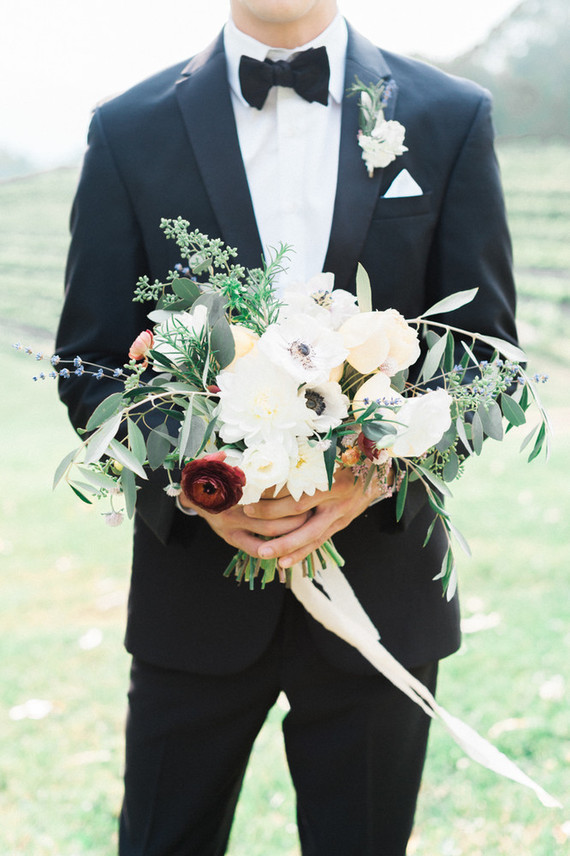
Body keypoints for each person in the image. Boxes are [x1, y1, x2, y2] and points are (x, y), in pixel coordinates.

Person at [55, 1, 518, 853]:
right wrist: (200, 485)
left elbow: (487, 358)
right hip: (192, 595)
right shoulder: (127, 129)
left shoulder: (450, 115)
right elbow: (89, 364)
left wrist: (372, 472)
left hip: (381, 581)